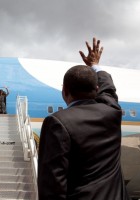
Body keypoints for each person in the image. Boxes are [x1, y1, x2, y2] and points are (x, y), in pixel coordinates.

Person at [37, 38, 130, 199]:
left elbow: (52, 185)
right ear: (96, 89)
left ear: (64, 91)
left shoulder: (57, 122)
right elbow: (108, 89)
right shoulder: (112, 111)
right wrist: (95, 65)